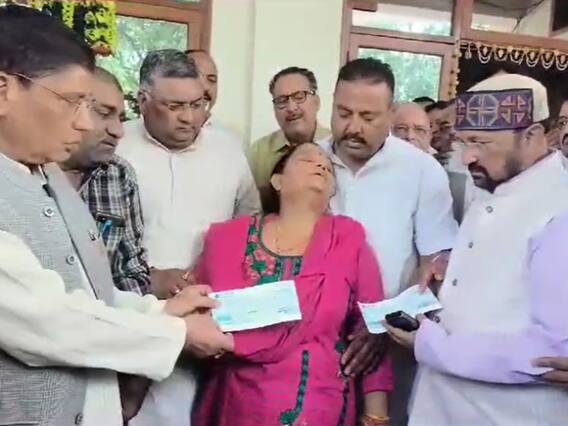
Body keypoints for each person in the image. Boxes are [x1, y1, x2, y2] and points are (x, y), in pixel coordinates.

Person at [0, 6, 232, 426]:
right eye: (71, 102)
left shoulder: (44, 172)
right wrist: (177, 333)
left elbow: (86, 292)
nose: (84, 124)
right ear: (4, 89)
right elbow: (46, 321)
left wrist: (161, 311)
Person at [385, 73, 568, 426]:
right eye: (463, 141)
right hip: (444, 406)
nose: (467, 156)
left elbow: (553, 352)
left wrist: (429, 345)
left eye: (481, 142)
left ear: (531, 136)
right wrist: (455, 265)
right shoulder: (498, 182)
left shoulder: (559, 210)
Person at [193, 142, 392, 426]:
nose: (320, 165)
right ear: (278, 181)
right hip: (235, 404)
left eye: (327, 167)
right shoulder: (228, 239)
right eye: (307, 160)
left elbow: (372, 334)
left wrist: (376, 417)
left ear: (332, 192)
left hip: (320, 407)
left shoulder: (350, 241)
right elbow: (199, 312)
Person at [117, 49, 260, 426]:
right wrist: (150, 279)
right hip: (132, 317)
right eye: (175, 106)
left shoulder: (228, 150)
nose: (190, 117)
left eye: (198, 104)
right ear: (142, 100)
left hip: (209, 318)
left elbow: (250, 228)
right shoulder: (115, 146)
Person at [319, 57, 458, 426]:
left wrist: (381, 324)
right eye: (344, 113)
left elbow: (435, 262)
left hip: (392, 340)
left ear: (390, 113)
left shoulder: (421, 170)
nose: (353, 127)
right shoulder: (310, 162)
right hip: (315, 342)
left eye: (368, 117)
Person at [61, 66, 151, 296]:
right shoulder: (23, 171)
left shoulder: (118, 175)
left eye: (120, 118)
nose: (118, 131)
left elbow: (130, 271)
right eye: (104, 113)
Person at [247, 67, 330, 208]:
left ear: (317, 102)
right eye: (282, 101)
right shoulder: (259, 153)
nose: (291, 108)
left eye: (299, 97)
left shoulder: (335, 147)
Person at [186, 49, 243, 148]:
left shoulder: (230, 141)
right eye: (195, 77)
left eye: (212, 80)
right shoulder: (159, 134)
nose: (206, 87)